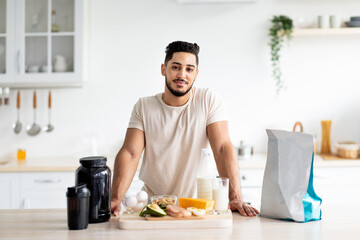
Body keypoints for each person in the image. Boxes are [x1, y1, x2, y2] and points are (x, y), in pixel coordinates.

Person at [111, 41, 259, 217]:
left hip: (198, 209)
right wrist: (115, 198)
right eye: (175, 67)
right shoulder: (144, 106)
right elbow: (130, 153)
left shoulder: (207, 100)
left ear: (196, 74)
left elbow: (221, 149)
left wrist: (235, 197)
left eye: (189, 69)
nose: (182, 75)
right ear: (163, 69)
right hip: (156, 209)